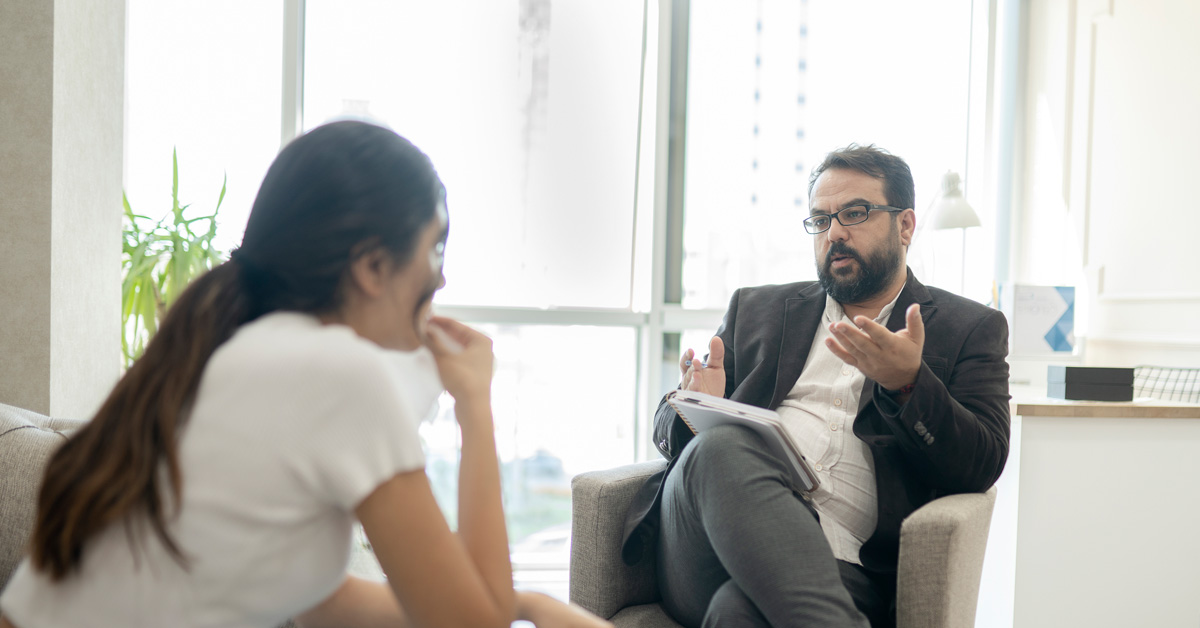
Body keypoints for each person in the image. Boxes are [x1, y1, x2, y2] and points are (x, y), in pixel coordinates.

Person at [0, 121, 610, 628]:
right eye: (436, 249)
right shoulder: (337, 373)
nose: (442, 278)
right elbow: (472, 625)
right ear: (372, 265)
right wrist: (476, 404)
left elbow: (324, 602)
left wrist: (524, 601)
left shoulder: (236, 349)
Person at [622, 144, 1010, 627]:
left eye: (855, 213)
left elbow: (983, 463)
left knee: (736, 613)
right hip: (708, 544)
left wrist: (909, 384)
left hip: (847, 566)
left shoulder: (968, 327)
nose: (835, 234)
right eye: (821, 220)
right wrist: (693, 404)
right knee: (721, 448)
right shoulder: (756, 311)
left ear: (905, 226)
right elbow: (665, 434)